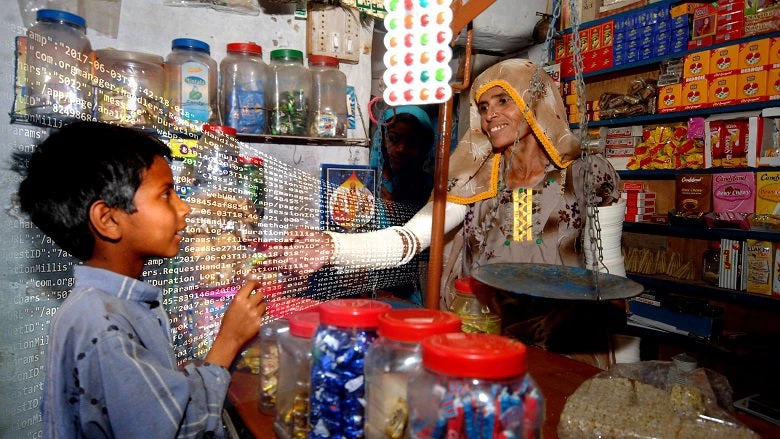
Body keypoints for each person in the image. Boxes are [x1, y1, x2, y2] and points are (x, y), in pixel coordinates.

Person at [270, 59, 622, 365]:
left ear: (537, 101)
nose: (491, 115)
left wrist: (624, 365)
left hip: (565, 341)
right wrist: (333, 247)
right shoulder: (476, 178)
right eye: (483, 107)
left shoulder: (584, 174)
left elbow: (611, 275)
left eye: (504, 101)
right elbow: (410, 239)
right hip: (488, 334)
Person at [17, 122, 267, 437]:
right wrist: (229, 340)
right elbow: (175, 427)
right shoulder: (102, 324)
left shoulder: (114, 305)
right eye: (166, 194)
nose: (184, 207)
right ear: (108, 220)